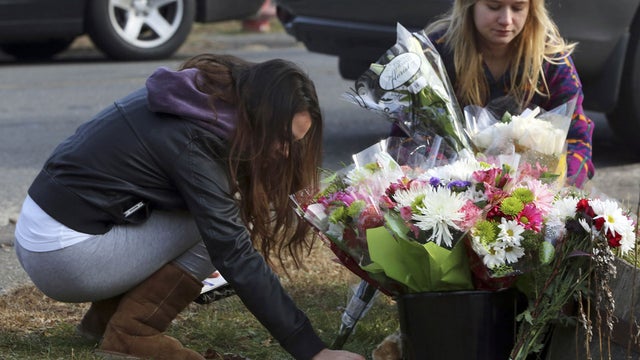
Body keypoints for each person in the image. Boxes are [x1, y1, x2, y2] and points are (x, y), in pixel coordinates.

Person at [13, 53, 365, 360]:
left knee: (209, 214)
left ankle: (103, 319)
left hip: (46, 233)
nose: (287, 153)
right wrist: (312, 350)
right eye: (283, 140)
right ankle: (132, 333)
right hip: (64, 257)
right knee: (217, 227)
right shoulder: (195, 140)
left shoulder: (199, 99)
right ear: (261, 115)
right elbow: (233, 252)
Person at [393, 0, 594, 187]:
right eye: (494, 6)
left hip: (530, 193)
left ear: (532, 8)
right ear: (469, 5)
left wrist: (560, 187)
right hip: (448, 187)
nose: (506, 20)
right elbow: (406, 136)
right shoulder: (435, 52)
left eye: (517, 8)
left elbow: (578, 139)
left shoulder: (551, 59)